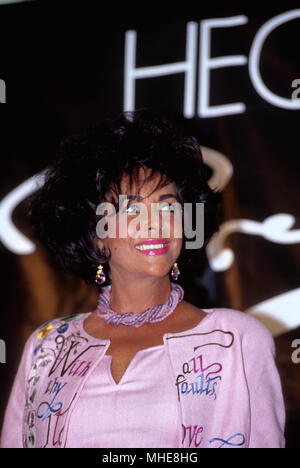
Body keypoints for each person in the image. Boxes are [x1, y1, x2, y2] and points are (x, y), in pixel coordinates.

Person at [0, 109, 285, 448]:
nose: (155, 223)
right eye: (131, 209)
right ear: (96, 235)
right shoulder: (47, 347)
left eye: (167, 207)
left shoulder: (235, 340)